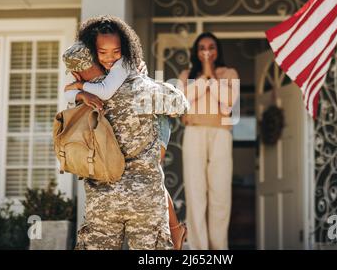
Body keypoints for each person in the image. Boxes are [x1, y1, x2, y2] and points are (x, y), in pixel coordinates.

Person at [62, 16, 189, 250]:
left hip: (102, 201)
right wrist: (143, 77)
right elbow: (180, 104)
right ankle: (176, 230)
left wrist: (80, 89)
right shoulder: (140, 87)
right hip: (144, 199)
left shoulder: (79, 100)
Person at [178, 32, 239, 250]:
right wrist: (203, 77)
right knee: (195, 192)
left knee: (220, 194)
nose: (206, 51)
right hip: (194, 133)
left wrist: (209, 74)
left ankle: (219, 248)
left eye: (211, 47)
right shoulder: (186, 75)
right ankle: (198, 249)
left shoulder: (229, 73)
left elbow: (229, 100)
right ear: (196, 52)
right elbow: (182, 102)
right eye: (202, 47)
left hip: (221, 135)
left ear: (217, 51)